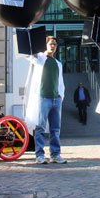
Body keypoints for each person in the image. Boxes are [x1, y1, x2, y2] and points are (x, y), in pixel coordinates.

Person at [24, 36, 66, 164]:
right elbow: (29, 55)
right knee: (40, 128)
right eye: (50, 43)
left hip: (55, 99)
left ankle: (55, 154)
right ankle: (40, 155)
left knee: (55, 129)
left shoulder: (58, 63)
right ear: (45, 45)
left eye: (54, 44)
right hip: (43, 98)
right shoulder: (41, 59)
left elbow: (60, 82)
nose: (52, 46)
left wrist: (60, 96)